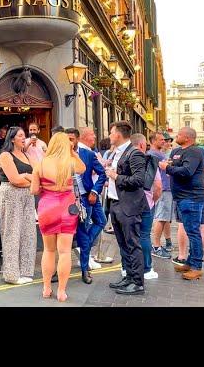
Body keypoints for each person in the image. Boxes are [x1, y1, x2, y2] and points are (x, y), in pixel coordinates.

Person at [31, 132, 85, 302]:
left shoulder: (40, 164)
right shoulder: (69, 163)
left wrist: (44, 189)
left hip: (47, 207)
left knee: (49, 250)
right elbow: (82, 168)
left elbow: (33, 190)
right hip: (67, 208)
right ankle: (61, 291)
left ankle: (47, 288)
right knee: (64, 252)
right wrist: (72, 152)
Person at [159, 126, 204, 280]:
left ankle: (197, 266)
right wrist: (170, 165)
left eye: (179, 134)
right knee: (189, 230)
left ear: (187, 137)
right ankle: (190, 262)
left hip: (192, 197)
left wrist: (168, 167)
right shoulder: (176, 151)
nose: (175, 136)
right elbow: (177, 167)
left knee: (193, 232)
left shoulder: (194, 151)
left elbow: (187, 171)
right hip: (180, 197)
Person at [105, 121, 147, 295]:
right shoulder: (117, 153)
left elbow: (139, 181)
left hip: (129, 206)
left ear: (119, 134)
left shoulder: (134, 153)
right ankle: (129, 277)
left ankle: (137, 282)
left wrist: (115, 176)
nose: (109, 135)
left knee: (132, 244)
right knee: (123, 244)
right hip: (116, 203)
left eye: (111, 132)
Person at [0, 126, 36, 285]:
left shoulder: (27, 154)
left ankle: (26, 271)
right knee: (12, 234)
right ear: (12, 138)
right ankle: (11, 275)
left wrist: (27, 177)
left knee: (29, 233)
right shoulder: (6, 155)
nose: (23, 137)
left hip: (28, 196)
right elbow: (14, 180)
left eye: (24, 135)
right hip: (11, 194)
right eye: (20, 135)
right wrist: (28, 177)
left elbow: (38, 175)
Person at [67, 128, 107, 284]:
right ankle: (84, 268)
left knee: (101, 222)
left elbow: (102, 173)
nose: (69, 142)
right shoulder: (61, 157)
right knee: (82, 232)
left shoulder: (88, 154)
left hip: (89, 195)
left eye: (72, 139)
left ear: (77, 139)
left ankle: (84, 247)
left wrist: (95, 192)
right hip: (71, 199)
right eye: (67, 139)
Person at [171, 144, 204, 268]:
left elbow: (179, 171)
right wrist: (200, 170)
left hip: (187, 195)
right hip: (199, 193)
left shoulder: (176, 151)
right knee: (203, 227)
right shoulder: (202, 151)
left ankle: (184, 258)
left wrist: (195, 169)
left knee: (186, 227)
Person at [127, 133, 162, 280]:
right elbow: (158, 186)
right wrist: (153, 200)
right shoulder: (150, 161)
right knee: (144, 235)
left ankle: (128, 268)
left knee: (130, 236)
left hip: (128, 204)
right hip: (146, 203)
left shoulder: (124, 158)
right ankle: (147, 268)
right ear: (142, 145)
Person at [149, 132, 173, 259]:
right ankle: (156, 246)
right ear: (153, 141)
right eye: (161, 140)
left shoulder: (159, 154)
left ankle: (158, 245)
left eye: (165, 140)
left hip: (165, 188)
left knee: (163, 217)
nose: (164, 141)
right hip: (163, 189)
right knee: (161, 218)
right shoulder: (154, 154)